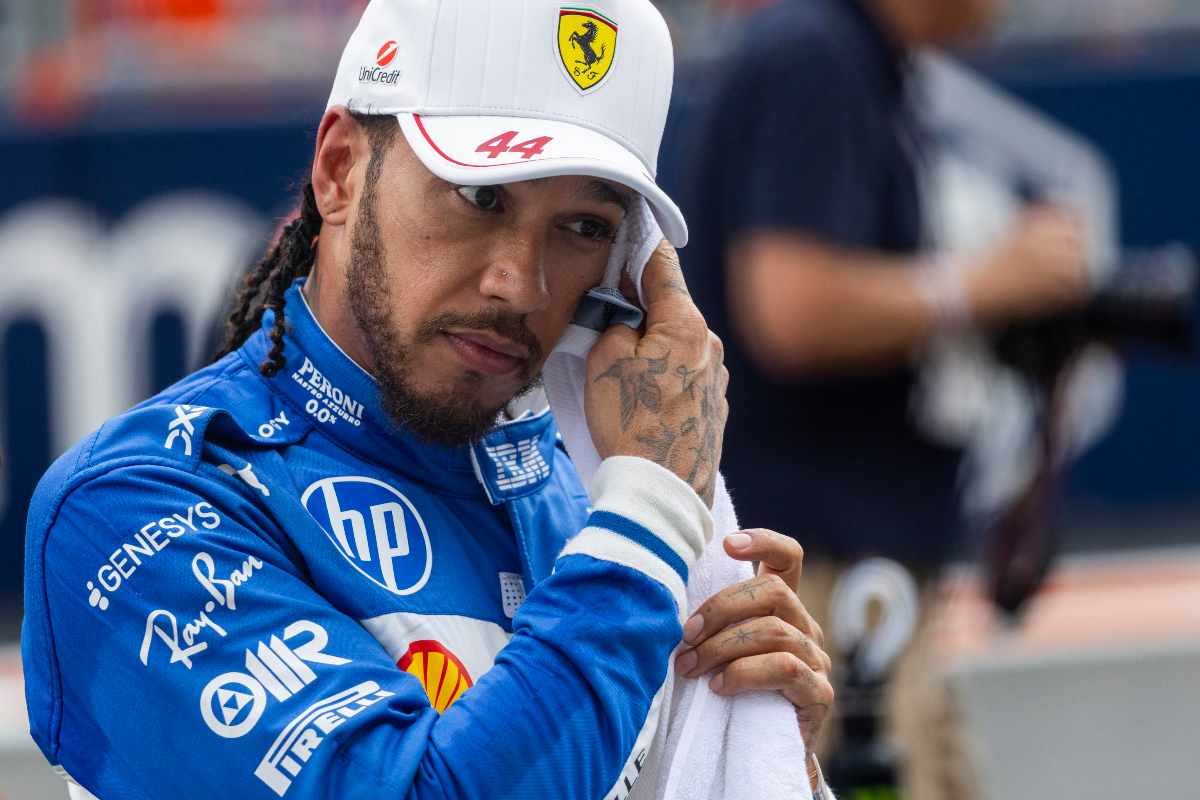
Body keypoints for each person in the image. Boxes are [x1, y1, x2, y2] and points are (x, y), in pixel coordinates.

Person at [21, 1, 835, 798]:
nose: (521, 283)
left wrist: (757, 749)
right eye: (481, 196)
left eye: (584, 227)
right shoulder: (133, 503)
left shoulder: (599, 497)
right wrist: (648, 522)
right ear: (340, 169)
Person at [670, 0, 1087, 796]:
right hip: (814, 575)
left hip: (844, 571)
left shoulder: (859, 60)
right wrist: (985, 284)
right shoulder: (813, 53)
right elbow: (791, 307)